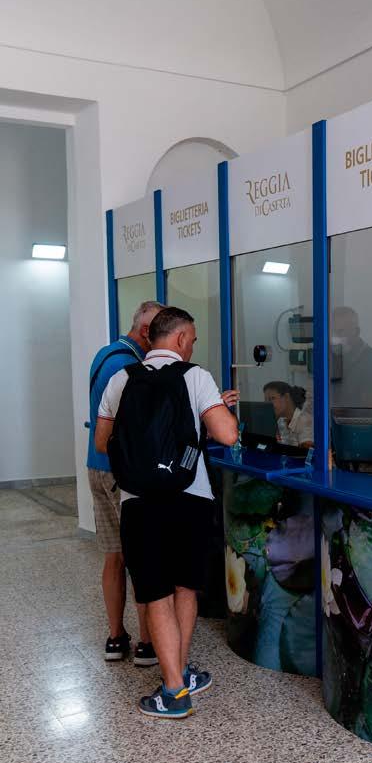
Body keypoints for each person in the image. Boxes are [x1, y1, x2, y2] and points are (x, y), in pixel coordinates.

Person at [95, 307, 239, 719]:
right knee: (185, 588)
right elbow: (227, 434)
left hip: (139, 502)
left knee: (155, 593)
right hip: (191, 498)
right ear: (179, 339)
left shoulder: (121, 379)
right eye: (192, 339)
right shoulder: (196, 376)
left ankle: (174, 687)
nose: (192, 346)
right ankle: (180, 678)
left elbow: (103, 442)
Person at [87, 299, 164, 666]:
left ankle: (116, 638)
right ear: (146, 331)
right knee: (141, 557)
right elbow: (135, 426)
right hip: (122, 473)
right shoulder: (130, 366)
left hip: (97, 467)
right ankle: (148, 644)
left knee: (114, 556)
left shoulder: (104, 354)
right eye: (162, 333)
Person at [330, 306, 372, 409]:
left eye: (340, 331)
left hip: (357, 418)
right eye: (331, 332)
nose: (333, 337)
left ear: (356, 331)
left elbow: (370, 408)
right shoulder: (331, 356)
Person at [263, 381, 314, 448]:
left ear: (286, 397)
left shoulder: (305, 421)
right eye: (266, 400)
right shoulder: (281, 422)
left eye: (272, 398)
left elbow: (307, 452)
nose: (267, 404)